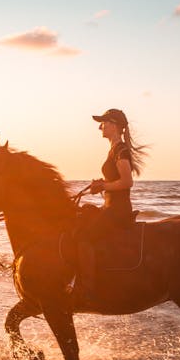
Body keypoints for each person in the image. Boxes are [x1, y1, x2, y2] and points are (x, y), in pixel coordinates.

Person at [75, 108, 147, 300]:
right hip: (111, 206)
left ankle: (88, 290)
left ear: (114, 125)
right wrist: (102, 184)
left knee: (84, 237)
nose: (100, 127)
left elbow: (126, 182)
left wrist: (104, 185)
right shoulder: (115, 149)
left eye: (104, 123)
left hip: (118, 210)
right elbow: (116, 179)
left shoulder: (120, 150)